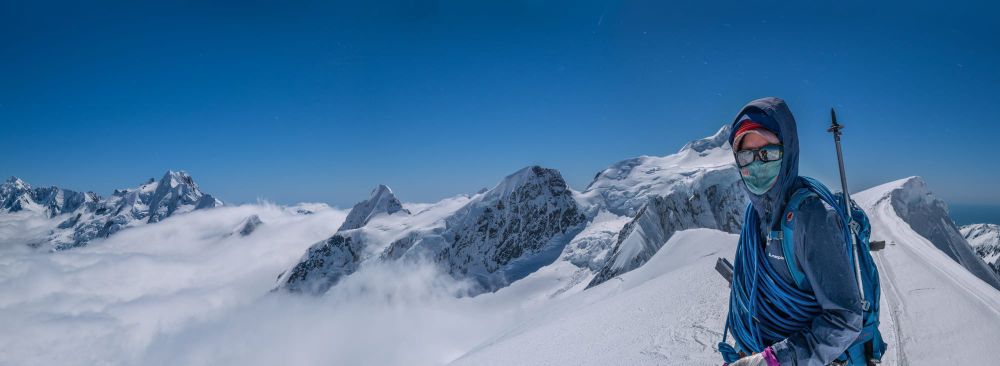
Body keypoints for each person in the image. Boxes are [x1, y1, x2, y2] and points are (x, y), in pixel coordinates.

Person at [725, 97, 863, 366]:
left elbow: (845, 319)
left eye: (767, 153)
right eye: (746, 156)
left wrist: (774, 360)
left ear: (787, 151)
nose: (756, 164)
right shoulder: (755, 215)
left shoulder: (812, 217)